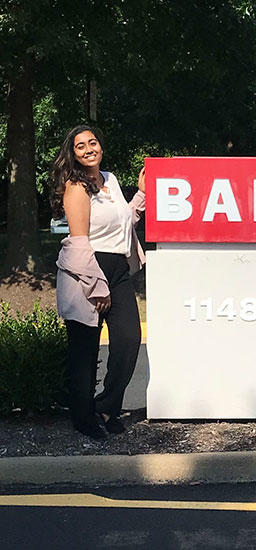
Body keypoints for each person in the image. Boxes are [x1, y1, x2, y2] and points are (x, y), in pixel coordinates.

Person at [50, 125, 146, 439]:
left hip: (117, 270)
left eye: (93, 142)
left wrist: (141, 195)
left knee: (129, 340)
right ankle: (83, 418)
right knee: (84, 350)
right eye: (81, 146)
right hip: (87, 272)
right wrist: (97, 285)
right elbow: (79, 242)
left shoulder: (111, 180)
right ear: (73, 154)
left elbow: (123, 222)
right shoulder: (76, 187)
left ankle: (105, 406)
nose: (89, 148)